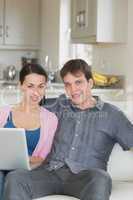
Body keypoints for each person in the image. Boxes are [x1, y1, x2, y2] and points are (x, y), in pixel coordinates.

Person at [3, 59, 133, 200]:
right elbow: (31, 100)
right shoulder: (58, 106)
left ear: (90, 83)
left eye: (78, 82)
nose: (73, 90)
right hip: (49, 173)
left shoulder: (112, 115)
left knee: (101, 178)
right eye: (68, 85)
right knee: (16, 177)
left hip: (86, 177)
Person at [0, 63, 58, 199]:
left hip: (29, 171)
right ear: (21, 85)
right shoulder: (3, 113)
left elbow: (45, 158)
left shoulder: (50, 119)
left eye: (41, 86)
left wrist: (26, 159)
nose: (36, 92)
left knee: (14, 177)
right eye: (30, 86)